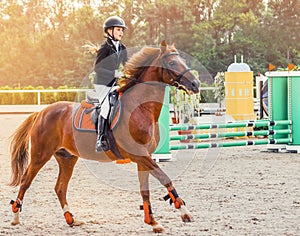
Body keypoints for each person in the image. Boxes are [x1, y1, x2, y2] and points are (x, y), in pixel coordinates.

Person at [93, 16, 128, 152]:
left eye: (122, 30)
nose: (121, 33)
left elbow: (127, 65)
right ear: (109, 31)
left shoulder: (122, 47)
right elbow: (97, 68)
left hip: (113, 83)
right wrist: (114, 74)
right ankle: (100, 139)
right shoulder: (104, 48)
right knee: (106, 107)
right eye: (118, 30)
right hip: (102, 84)